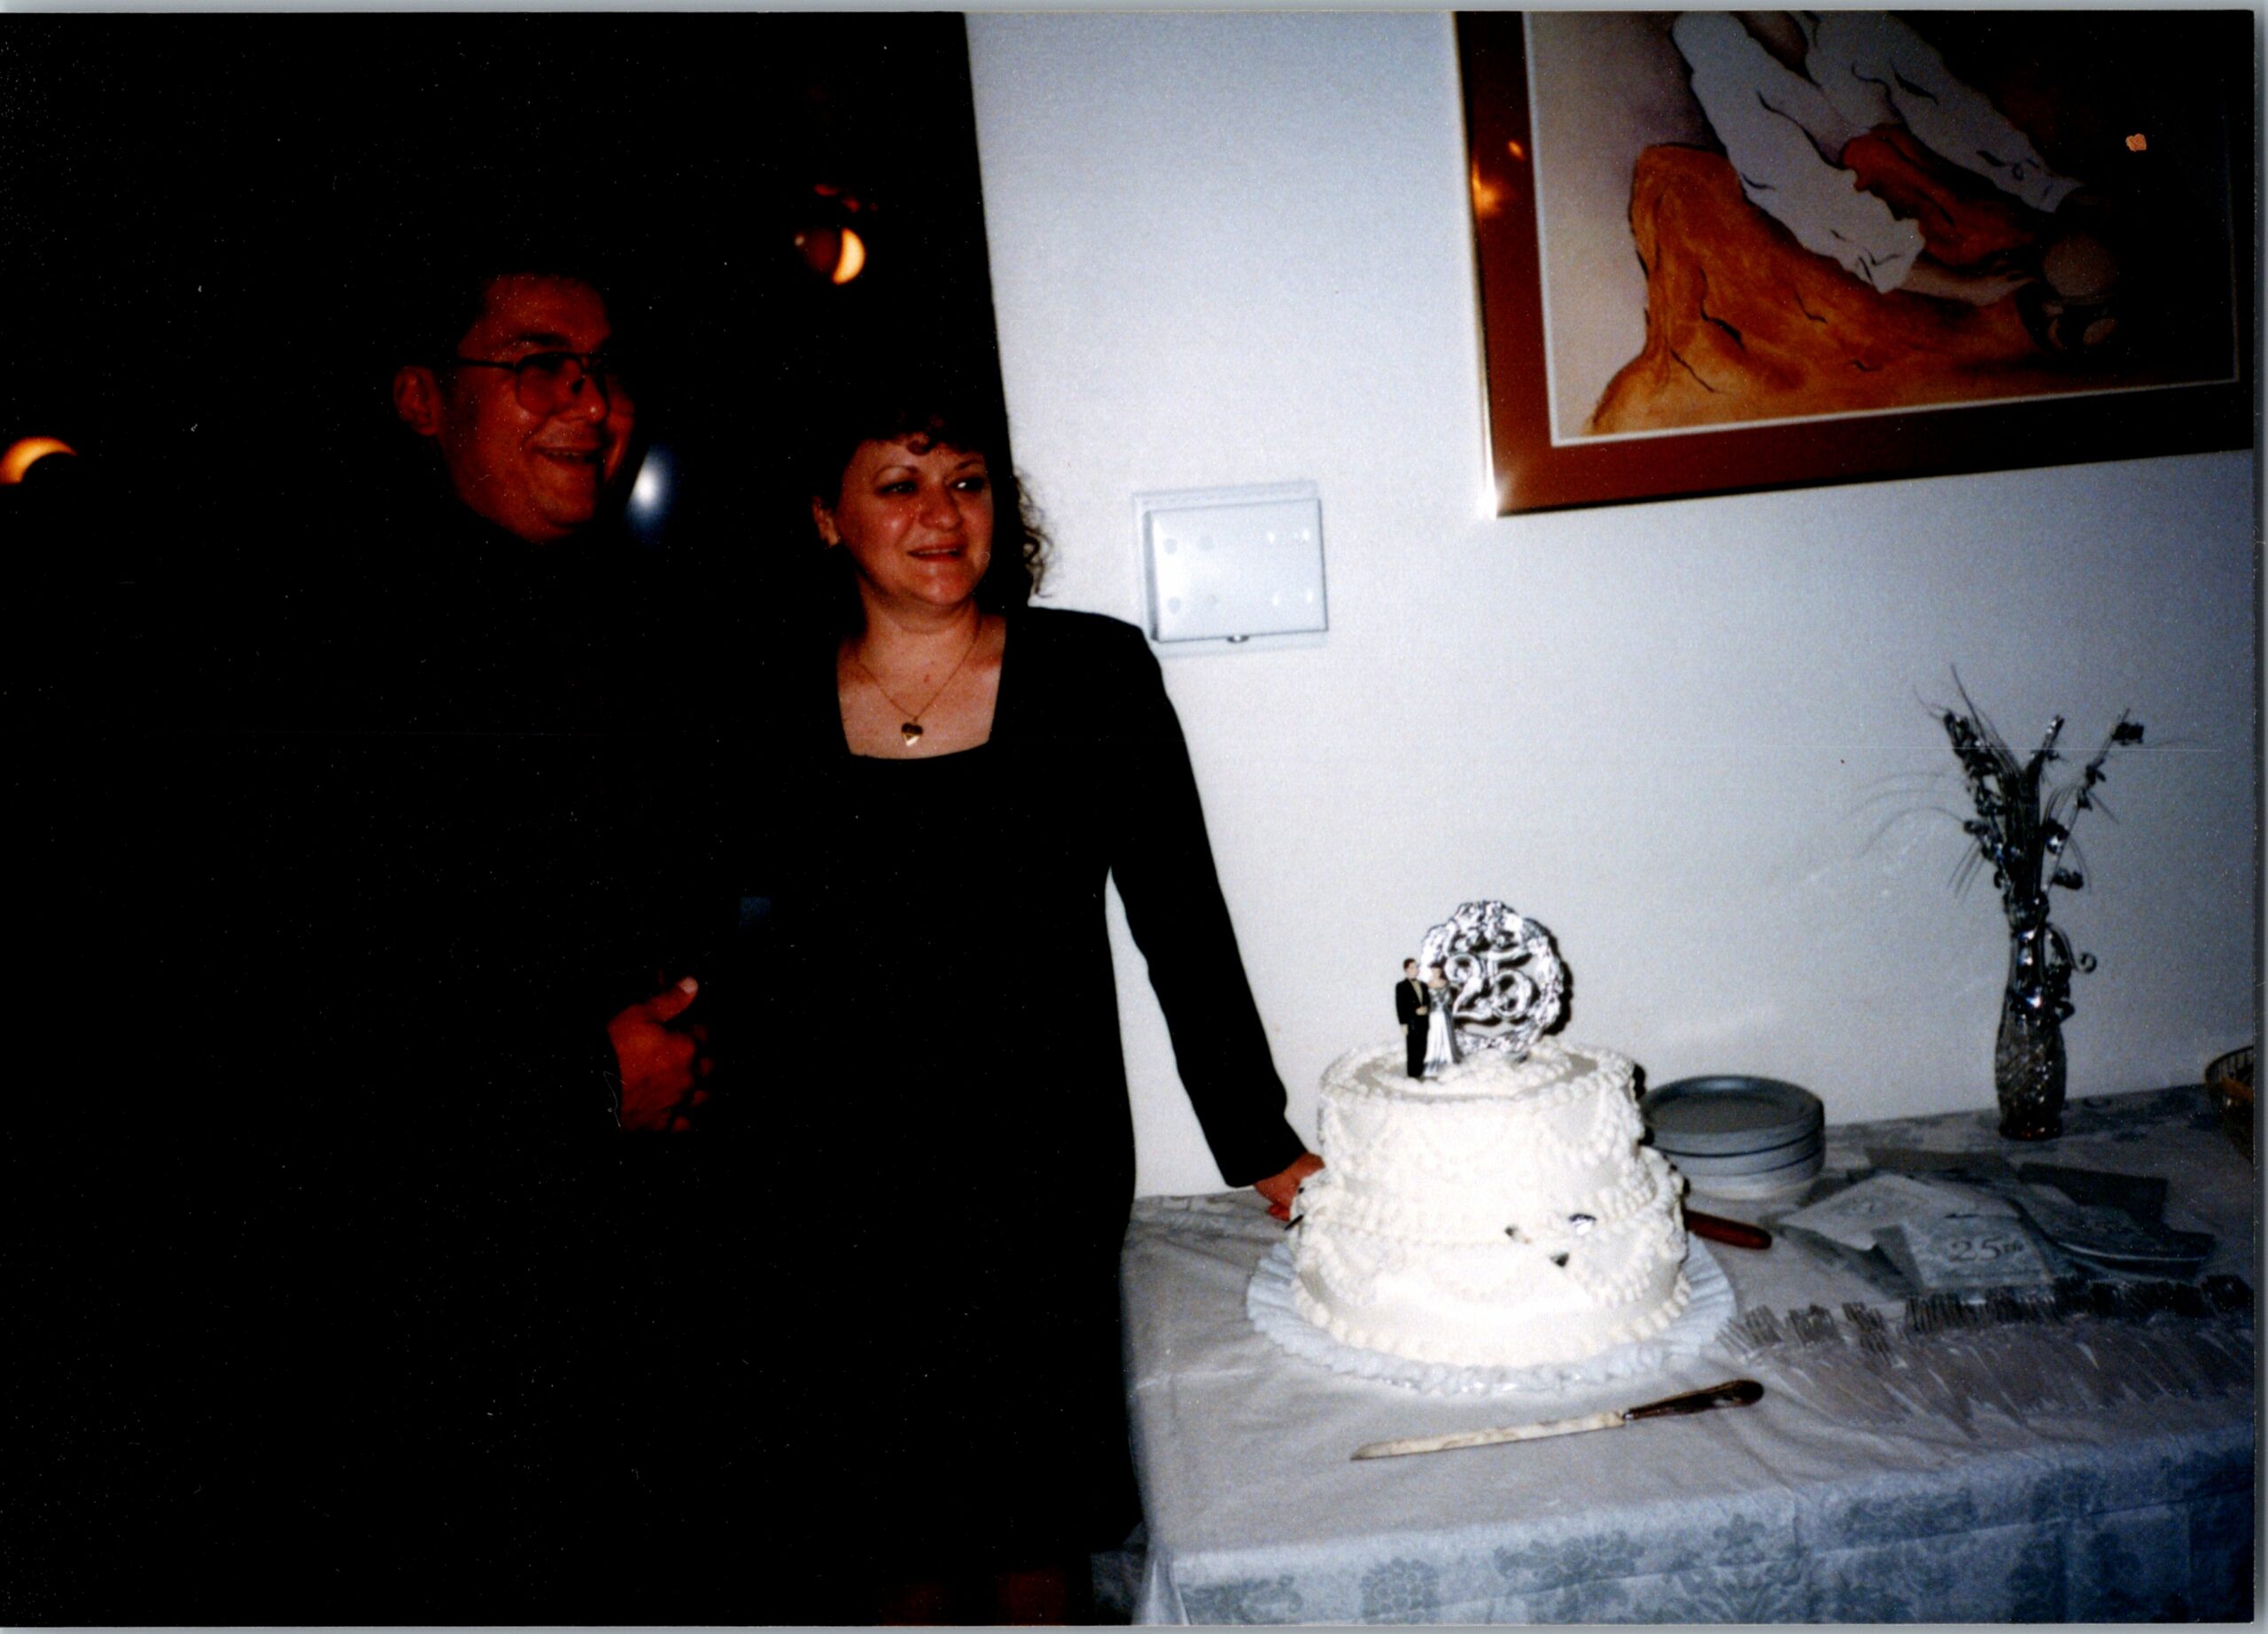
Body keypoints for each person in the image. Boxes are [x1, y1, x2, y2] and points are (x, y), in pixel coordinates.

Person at [693, 365, 1321, 1622]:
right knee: (894, 1542)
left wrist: (1262, 1144)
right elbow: (732, 946)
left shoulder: (1091, 673)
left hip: (1036, 1180)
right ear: (826, 516)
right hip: (832, 1191)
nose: (942, 513)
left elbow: (1182, 923)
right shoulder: (763, 699)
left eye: (968, 481)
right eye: (900, 483)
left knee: (1035, 1526)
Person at [1396, 956, 1433, 1078]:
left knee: (1423, 1047)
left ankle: (1420, 1071)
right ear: (1406, 970)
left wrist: (1426, 1008)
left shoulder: (1423, 985)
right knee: (1413, 1048)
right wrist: (1403, 1023)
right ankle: (1412, 1074)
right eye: (1412, 967)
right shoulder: (1401, 986)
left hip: (1423, 1021)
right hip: (1411, 1022)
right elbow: (1400, 1006)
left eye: (1416, 967)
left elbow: (1428, 1001)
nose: (1415, 969)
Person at [1422, 963, 1458, 1078]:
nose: (1436, 973)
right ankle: (1433, 1057)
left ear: (1441, 972)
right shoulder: (1427, 984)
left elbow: (1449, 999)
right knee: (1434, 1035)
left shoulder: (1445, 983)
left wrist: (1441, 1004)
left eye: (1438, 971)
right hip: (1433, 1013)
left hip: (1443, 1012)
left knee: (1445, 1034)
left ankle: (1446, 1057)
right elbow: (1426, 1000)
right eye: (1434, 971)